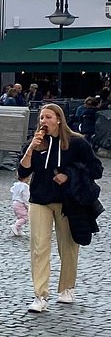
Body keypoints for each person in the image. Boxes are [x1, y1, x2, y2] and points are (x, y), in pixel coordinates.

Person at [19, 103, 104, 312]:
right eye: (41, 118)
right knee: (39, 247)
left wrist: (69, 174)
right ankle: (40, 295)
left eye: (48, 117)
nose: (44, 122)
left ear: (58, 119)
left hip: (68, 200)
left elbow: (96, 169)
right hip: (40, 199)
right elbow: (22, 173)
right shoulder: (36, 143)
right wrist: (31, 149)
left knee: (68, 246)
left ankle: (67, 287)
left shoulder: (76, 143)